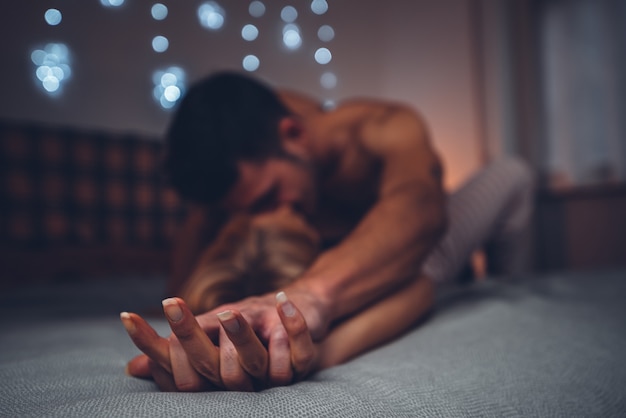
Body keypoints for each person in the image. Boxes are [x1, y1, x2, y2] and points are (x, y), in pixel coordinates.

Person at [120, 71, 534, 391]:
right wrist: (184, 317)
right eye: (245, 212)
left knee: (513, 174)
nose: (264, 217)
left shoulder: (382, 129)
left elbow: (420, 209)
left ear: (294, 135)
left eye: (269, 198)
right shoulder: (237, 164)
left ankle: (508, 288)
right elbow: (198, 235)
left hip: (411, 249)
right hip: (330, 273)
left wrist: (309, 297)